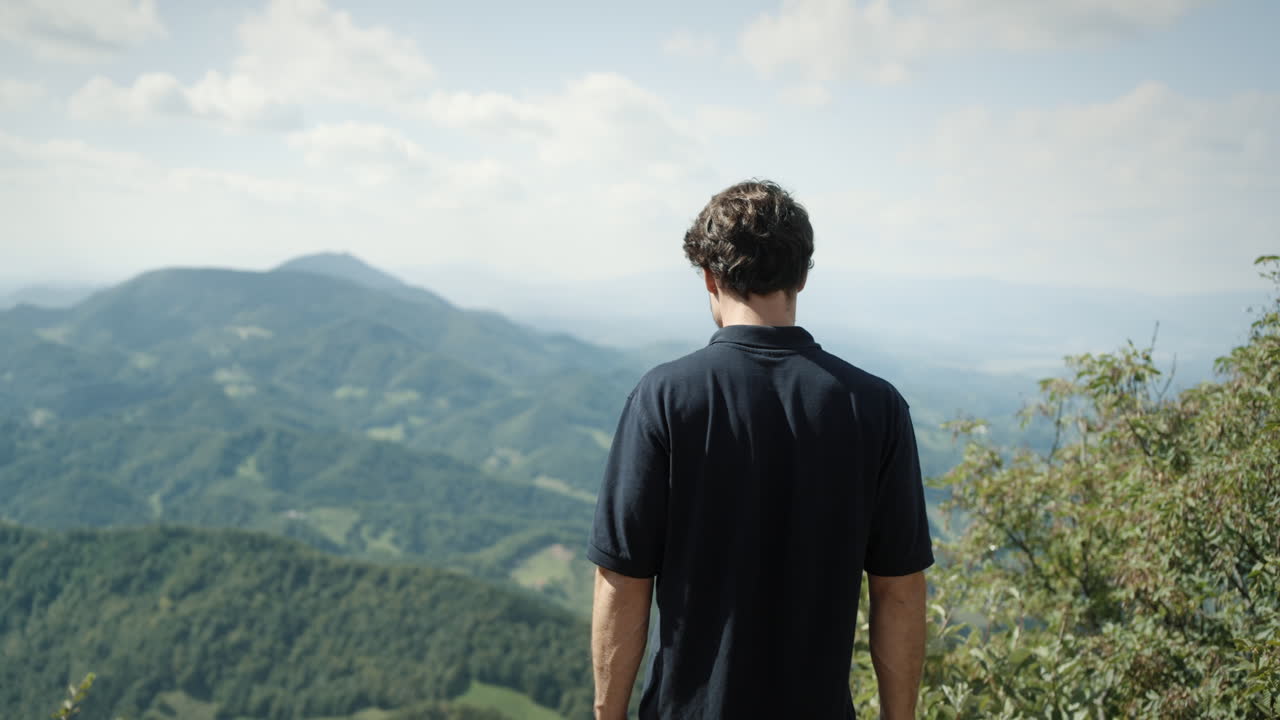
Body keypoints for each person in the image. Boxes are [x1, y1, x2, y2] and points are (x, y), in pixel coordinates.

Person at [587, 180, 934, 719]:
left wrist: (607, 715)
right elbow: (901, 592)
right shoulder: (876, 407)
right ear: (801, 276)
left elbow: (622, 583)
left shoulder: (664, 397)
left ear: (709, 276)